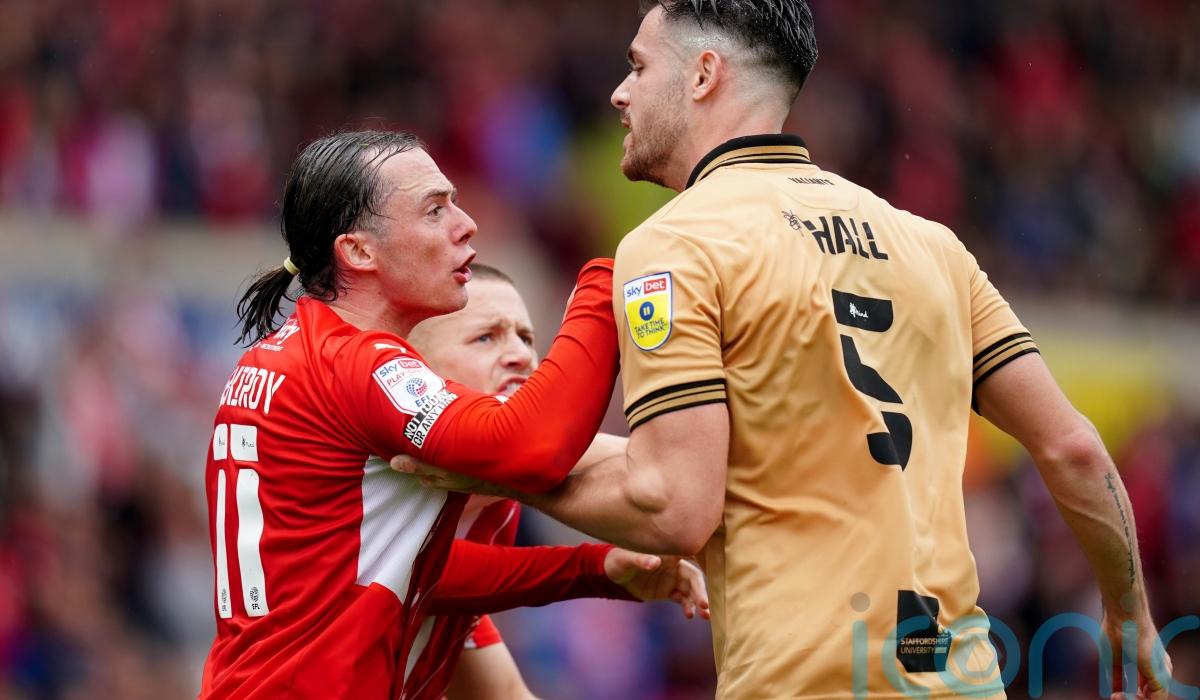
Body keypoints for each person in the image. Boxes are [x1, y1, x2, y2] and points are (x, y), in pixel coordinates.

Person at [396, 3, 1174, 698]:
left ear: (704, 74)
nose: (619, 94)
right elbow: (1073, 448)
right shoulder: (933, 247)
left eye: (638, 66)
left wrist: (492, 459)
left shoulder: (677, 244)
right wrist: (1129, 611)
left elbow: (672, 506)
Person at [199, 130, 706, 699]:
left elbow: (424, 574)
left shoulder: (294, 354)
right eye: (435, 210)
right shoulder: (355, 363)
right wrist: (607, 279)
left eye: (525, 338)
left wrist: (595, 567)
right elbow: (532, 449)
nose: (466, 225)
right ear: (359, 252)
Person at [402, 264, 696, 700]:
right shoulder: (376, 472)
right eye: (485, 338)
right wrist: (597, 568)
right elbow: (426, 571)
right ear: (414, 372)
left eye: (526, 338)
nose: (521, 356)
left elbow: (505, 693)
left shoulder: (490, 507)